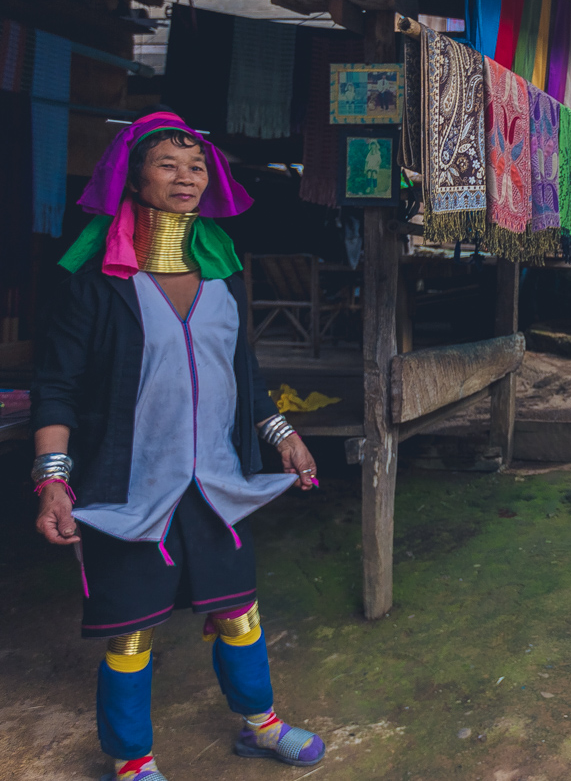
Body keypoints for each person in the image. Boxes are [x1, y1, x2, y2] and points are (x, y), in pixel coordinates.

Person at [30, 110, 325, 781]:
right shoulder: (97, 284)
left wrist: (283, 434)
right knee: (131, 629)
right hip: (130, 483)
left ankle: (261, 725)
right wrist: (53, 477)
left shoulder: (223, 277)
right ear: (132, 178)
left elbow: (241, 378)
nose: (186, 175)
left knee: (239, 610)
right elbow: (56, 385)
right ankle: (132, 759)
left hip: (215, 483)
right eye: (168, 163)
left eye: (196, 166)